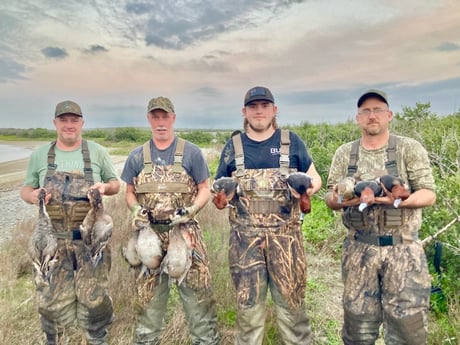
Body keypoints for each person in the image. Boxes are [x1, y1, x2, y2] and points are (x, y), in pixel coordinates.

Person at [325, 89, 436, 345]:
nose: (371, 115)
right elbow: (331, 199)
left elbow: (428, 194)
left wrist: (397, 200)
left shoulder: (408, 148)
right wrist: (342, 199)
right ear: (357, 118)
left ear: (389, 115)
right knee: (358, 330)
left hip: (404, 251)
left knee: (408, 331)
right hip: (358, 250)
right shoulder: (345, 153)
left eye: (377, 110)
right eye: (365, 111)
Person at [213, 86, 322, 344]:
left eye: (264, 106)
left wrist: (307, 189)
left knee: (293, 312)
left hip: (287, 243)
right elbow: (217, 187)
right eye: (253, 106)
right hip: (244, 245)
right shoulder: (233, 147)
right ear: (244, 112)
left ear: (274, 110)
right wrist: (221, 198)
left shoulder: (291, 141)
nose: (259, 111)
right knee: (249, 315)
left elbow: (315, 177)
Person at [120, 96, 220, 345]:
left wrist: (192, 210)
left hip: (186, 236)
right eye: (155, 116)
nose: (160, 122)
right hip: (148, 236)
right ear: (149, 119)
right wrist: (134, 209)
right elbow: (129, 192)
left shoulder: (191, 153)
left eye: (165, 116)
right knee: (148, 305)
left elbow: (205, 188)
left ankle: (206, 340)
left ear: (173, 118)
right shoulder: (136, 156)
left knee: (199, 302)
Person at [20, 100, 120, 345]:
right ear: (55, 123)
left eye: (74, 120)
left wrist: (104, 187)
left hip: (90, 244)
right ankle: (54, 340)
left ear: (82, 123)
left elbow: (115, 184)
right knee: (51, 301)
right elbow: (25, 189)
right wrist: (33, 196)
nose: (69, 125)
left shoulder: (97, 152)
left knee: (94, 299)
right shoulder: (41, 155)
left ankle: (97, 338)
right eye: (63, 120)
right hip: (53, 245)